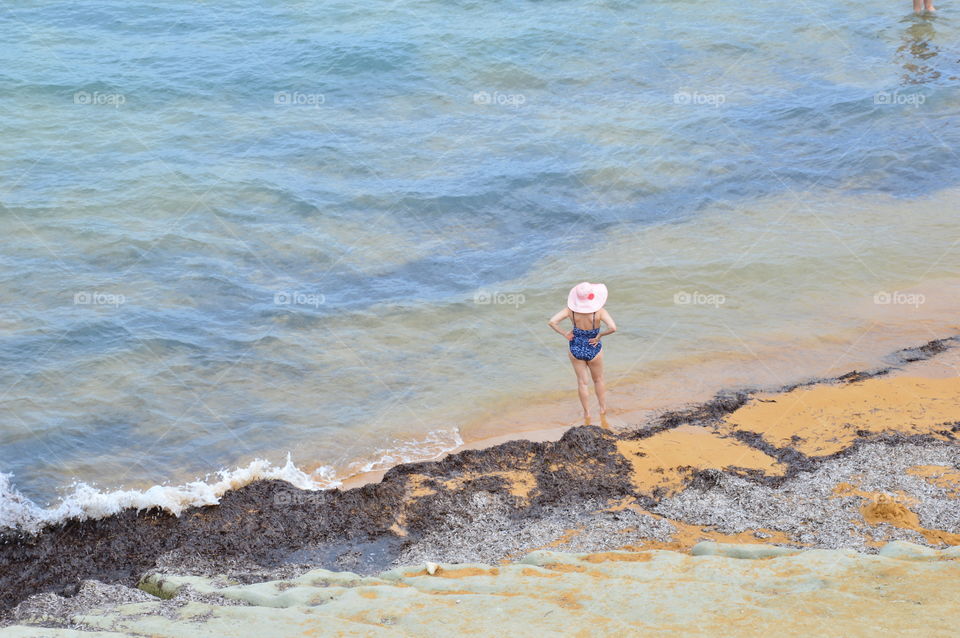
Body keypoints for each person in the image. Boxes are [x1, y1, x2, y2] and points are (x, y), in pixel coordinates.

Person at [548, 282, 617, 425]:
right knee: (598, 380)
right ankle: (602, 409)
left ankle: (587, 414)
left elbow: (552, 322)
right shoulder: (600, 312)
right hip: (594, 347)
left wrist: (565, 334)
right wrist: (600, 336)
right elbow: (613, 328)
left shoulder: (570, 311)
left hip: (575, 347)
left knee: (582, 382)